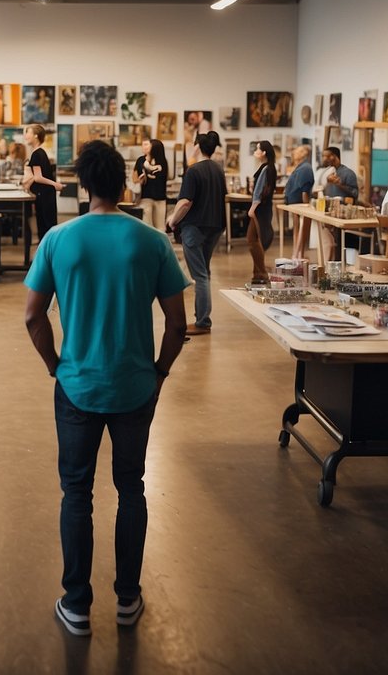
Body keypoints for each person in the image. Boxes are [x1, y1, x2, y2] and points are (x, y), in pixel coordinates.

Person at [24, 141, 187, 637]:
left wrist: (56, 366)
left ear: (84, 188)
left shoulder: (57, 239)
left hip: (76, 385)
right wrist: (159, 371)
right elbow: (177, 325)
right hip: (136, 387)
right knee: (131, 488)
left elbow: (32, 317)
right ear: (123, 185)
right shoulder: (151, 241)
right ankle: (128, 598)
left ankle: (76, 604)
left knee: (76, 493)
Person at [166, 131, 226, 335]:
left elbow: (185, 202)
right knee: (205, 272)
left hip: (195, 228)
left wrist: (172, 221)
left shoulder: (193, 171)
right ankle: (203, 319)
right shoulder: (218, 170)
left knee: (199, 275)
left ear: (198, 147)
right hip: (215, 227)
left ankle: (202, 322)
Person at [313, 146, 359, 261]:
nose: (324, 158)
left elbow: (354, 194)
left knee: (340, 242)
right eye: (323, 156)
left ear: (334, 156)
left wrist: (339, 184)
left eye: (327, 156)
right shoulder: (327, 172)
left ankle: (341, 263)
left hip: (342, 213)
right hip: (328, 212)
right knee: (330, 242)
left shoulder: (348, 173)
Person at [23, 125, 63, 239]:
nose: (26, 136)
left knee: (45, 226)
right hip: (46, 194)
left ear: (36, 136)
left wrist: (55, 184)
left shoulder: (36, 154)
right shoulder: (40, 152)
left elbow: (38, 177)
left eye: (28, 133)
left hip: (44, 194)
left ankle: (45, 254)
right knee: (47, 225)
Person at [247, 140, 277, 285]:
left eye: (258, 149)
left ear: (264, 152)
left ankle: (261, 272)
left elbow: (260, 190)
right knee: (255, 240)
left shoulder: (267, 169)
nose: (255, 152)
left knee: (252, 240)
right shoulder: (268, 167)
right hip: (262, 208)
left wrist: (253, 208)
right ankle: (257, 273)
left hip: (260, 209)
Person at [282, 145, 314, 259]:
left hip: (300, 204)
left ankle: (299, 253)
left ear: (304, 154)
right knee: (297, 228)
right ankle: (296, 253)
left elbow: (305, 190)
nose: (294, 152)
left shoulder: (305, 168)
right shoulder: (299, 167)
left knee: (301, 229)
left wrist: (306, 208)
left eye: (299, 151)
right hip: (294, 204)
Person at [132, 138, 169, 231]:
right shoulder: (140, 160)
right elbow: (134, 177)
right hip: (145, 197)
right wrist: (139, 180)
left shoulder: (163, 162)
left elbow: (164, 177)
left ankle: (159, 244)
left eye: (148, 144)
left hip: (160, 197)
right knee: (146, 225)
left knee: (160, 226)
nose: (145, 147)